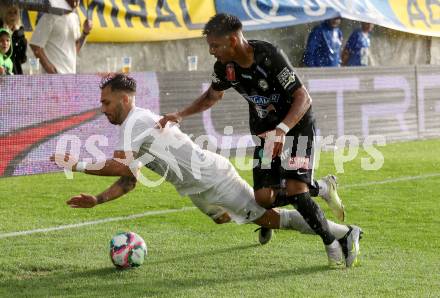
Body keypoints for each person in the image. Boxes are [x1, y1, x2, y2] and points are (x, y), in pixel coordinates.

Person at [50, 74, 361, 268]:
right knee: (220, 217)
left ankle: (344, 232)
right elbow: (128, 180)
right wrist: (97, 200)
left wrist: (74, 163)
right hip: (197, 187)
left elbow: (118, 165)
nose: (103, 109)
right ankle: (260, 212)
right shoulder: (135, 125)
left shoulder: (136, 122)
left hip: (213, 179)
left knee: (269, 214)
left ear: (124, 98)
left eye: (106, 103)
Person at [158, 14, 360, 268]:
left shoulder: (269, 55)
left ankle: (334, 240)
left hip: (296, 128)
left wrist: (282, 129)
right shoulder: (225, 67)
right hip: (266, 136)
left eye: (214, 46)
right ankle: (322, 188)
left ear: (233, 40)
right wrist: (180, 114)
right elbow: (213, 95)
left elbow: (303, 97)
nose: (211, 52)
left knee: (297, 191)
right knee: (264, 197)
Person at [29, 0, 92, 74]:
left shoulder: (75, 18)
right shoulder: (49, 17)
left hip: (70, 76)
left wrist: (85, 33)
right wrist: (51, 70)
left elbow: (74, 49)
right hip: (53, 81)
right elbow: (35, 46)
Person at [1, 5, 27, 74]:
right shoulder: (1, 31)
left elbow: (23, 58)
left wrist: (18, 35)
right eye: (10, 13)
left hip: (16, 72)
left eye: (15, 13)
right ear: (5, 15)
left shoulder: (20, 33)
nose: (12, 15)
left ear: (18, 16)